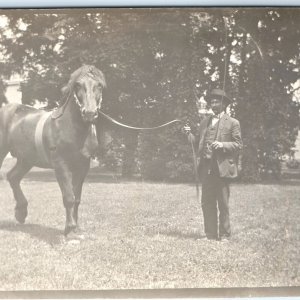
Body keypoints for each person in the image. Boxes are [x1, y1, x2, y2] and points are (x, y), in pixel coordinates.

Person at [183, 88, 242, 241]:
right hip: (206, 168)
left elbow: (238, 145)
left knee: (223, 203)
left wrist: (222, 144)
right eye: (212, 101)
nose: (214, 104)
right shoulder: (204, 122)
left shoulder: (233, 123)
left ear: (224, 104)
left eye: (217, 101)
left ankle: (224, 235)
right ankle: (210, 234)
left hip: (222, 168)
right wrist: (188, 134)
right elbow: (197, 143)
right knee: (207, 202)